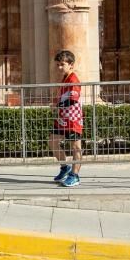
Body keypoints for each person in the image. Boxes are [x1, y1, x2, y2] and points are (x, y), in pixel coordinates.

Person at [48, 50, 83, 188]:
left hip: (73, 119)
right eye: (58, 65)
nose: (59, 68)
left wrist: (57, 105)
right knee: (52, 142)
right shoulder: (64, 78)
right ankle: (65, 168)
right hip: (62, 118)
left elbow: (72, 100)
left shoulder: (74, 79)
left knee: (75, 147)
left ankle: (75, 176)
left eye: (62, 64)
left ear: (71, 65)